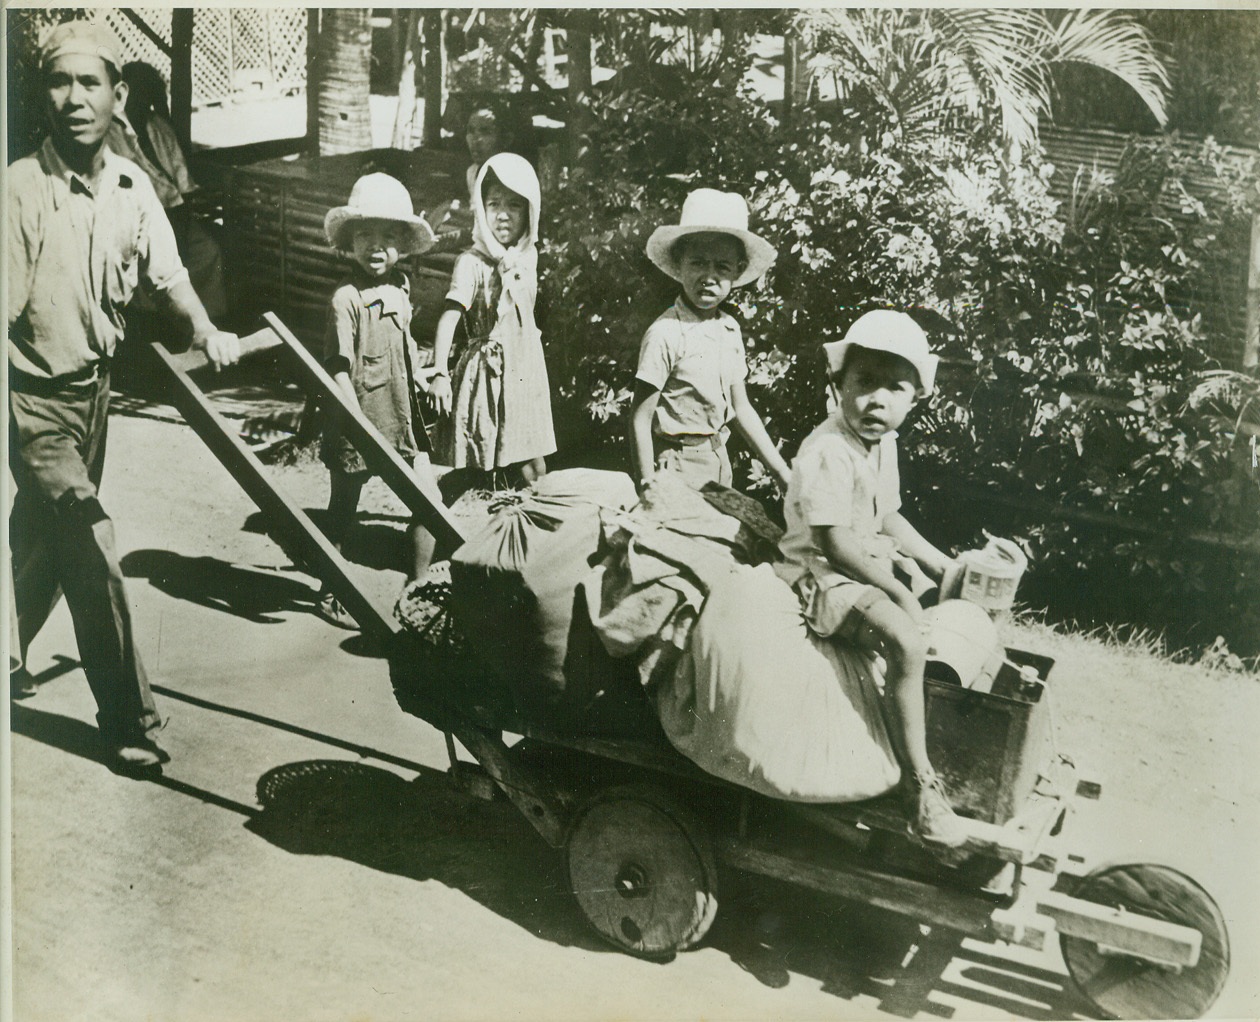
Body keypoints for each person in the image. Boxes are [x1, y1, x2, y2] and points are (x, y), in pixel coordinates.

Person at [7, 21, 240, 770]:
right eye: (58, 83)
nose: (73, 100)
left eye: (89, 84)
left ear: (120, 95)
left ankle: (7, 645)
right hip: (33, 400)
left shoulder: (135, 188)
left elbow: (169, 277)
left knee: (42, 541)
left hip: (94, 398)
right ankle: (127, 718)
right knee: (91, 540)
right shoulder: (20, 189)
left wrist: (207, 331)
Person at [776, 310, 968, 851]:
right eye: (864, 383)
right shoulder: (829, 451)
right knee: (907, 637)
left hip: (861, 562)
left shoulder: (881, 444)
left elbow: (887, 517)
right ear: (838, 386)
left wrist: (938, 564)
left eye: (894, 387)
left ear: (914, 400)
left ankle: (920, 736)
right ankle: (920, 787)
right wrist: (900, 591)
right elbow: (834, 542)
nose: (876, 399)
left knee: (950, 615)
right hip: (822, 576)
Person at [316, 172, 445, 628]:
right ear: (348, 243)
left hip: (401, 416)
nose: (376, 246)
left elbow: (405, 345)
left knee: (427, 500)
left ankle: (420, 588)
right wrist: (353, 419)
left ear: (403, 245)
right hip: (358, 419)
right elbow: (338, 367)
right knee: (343, 508)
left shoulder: (401, 289)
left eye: (388, 237)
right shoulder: (345, 299)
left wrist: (427, 375)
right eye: (365, 235)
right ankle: (331, 589)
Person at [631, 188, 791, 493]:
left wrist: (780, 470)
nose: (709, 276)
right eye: (698, 263)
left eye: (722, 267)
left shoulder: (728, 329)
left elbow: (740, 409)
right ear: (679, 265)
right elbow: (640, 417)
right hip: (676, 465)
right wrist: (647, 482)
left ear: (738, 271)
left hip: (719, 461)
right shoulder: (666, 333)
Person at [428, 152, 556, 487]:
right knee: (468, 462)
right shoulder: (472, 262)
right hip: (486, 374)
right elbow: (450, 316)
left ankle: (532, 532)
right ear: (481, 210)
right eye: (494, 204)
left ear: (530, 212)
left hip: (523, 374)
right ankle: (427, 530)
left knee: (532, 465)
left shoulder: (527, 258)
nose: (503, 216)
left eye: (514, 206)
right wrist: (440, 372)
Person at [103, 61, 227, 320]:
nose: (144, 102)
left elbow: (181, 176)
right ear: (122, 94)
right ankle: (157, 327)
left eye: (149, 95)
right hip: (135, 220)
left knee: (208, 251)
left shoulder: (158, 126)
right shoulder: (108, 133)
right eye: (139, 93)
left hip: (176, 213)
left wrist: (186, 211)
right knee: (146, 272)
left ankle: (209, 321)